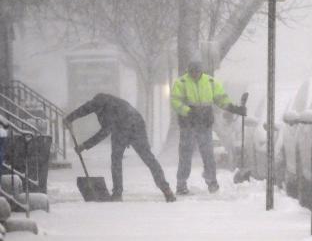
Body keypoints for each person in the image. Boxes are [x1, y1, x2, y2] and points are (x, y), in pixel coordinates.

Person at [65, 93, 176, 202]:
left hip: (132, 128)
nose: (97, 113)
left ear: (102, 107)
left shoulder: (110, 109)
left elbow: (104, 132)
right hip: (129, 126)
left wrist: (84, 145)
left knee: (130, 159)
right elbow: (84, 110)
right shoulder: (98, 103)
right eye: (95, 110)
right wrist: (70, 118)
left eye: (98, 111)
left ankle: (163, 190)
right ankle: (164, 190)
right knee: (134, 159)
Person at [170, 59, 246, 195]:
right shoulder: (181, 83)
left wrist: (233, 108)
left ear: (201, 71)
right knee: (185, 155)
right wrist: (188, 111)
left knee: (208, 154)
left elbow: (221, 99)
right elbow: (175, 101)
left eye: (197, 71)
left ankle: (212, 182)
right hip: (188, 124)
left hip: (204, 123)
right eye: (192, 72)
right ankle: (181, 183)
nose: (195, 74)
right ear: (188, 71)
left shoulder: (210, 82)